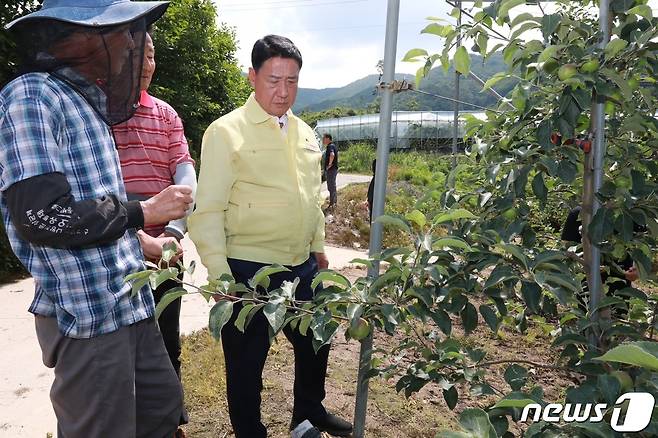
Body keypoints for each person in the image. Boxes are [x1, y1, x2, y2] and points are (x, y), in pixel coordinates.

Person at [0, 1, 194, 437]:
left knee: (162, 412)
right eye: (121, 32)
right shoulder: (32, 95)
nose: (131, 44)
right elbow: (42, 216)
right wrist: (144, 211)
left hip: (131, 304)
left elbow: (92, 207)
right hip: (87, 316)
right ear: (78, 36)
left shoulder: (89, 104)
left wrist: (139, 240)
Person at [189, 35, 353, 438]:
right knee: (246, 362)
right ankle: (250, 431)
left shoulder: (304, 133)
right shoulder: (226, 132)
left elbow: (312, 197)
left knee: (316, 340)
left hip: (301, 264)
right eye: (273, 80)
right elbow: (207, 209)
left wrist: (317, 246)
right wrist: (221, 276)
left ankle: (308, 416)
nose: (283, 92)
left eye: (292, 81)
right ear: (252, 77)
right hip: (247, 267)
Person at [112, 29, 197, 436]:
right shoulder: (97, 112)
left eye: (151, 55)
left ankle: (171, 420)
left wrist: (174, 237)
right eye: (137, 56)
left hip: (167, 252)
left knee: (167, 341)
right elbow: (94, 196)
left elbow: (184, 173)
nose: (146, 65)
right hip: (116, 249)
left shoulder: (165, 114)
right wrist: (137, 238)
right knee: (120, 350)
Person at [323, 133, 339, 210]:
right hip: (333, 170)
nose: (323, 140)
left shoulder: (330, 146)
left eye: (324, 138)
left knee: (331, 186)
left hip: (331, 170)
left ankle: (332, 203)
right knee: (332, 185)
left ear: (328, 139)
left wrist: (329, 164)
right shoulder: (332, 146)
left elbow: (332, 155)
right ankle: (334, 202)